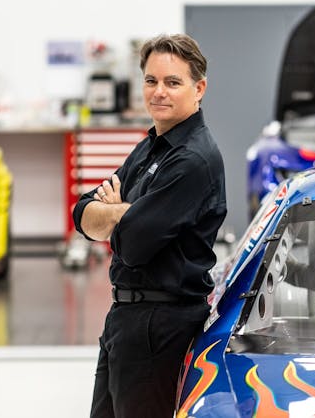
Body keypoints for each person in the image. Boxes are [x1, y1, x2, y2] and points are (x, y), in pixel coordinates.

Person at [72, 33, 227, 417]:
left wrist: (119, 215)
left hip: (158, 329)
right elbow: (82, 213)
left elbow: (135, 243)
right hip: (125, 319)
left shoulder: (193, 160)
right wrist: (129, 211)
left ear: (199, 88)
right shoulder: (150, 146)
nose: (159, 92)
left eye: (173, 82)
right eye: (151, 81)